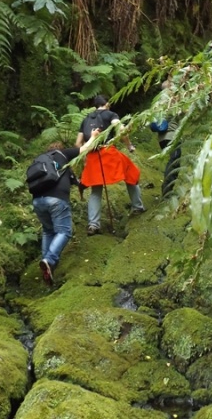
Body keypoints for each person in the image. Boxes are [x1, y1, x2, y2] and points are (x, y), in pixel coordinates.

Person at [31, 131, 100, 285]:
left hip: (37, 201)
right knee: (64, 232)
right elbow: (85, 148)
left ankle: (48, 267)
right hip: (57, 200)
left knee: (48, 231)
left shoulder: (40, 160)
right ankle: (49, 260)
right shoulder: (63, 155)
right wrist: (94, 136)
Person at [75, 95, 145, 236]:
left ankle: (93, 224)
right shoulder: (111, 114)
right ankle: (137, 207)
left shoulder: (86, 119)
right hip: (108, 152)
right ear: (107, 104)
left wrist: (84, 158)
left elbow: (78, 143)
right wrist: (129, 146)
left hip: (92, 156)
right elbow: (121, 130)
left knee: (96, 189)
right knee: (130, 173)